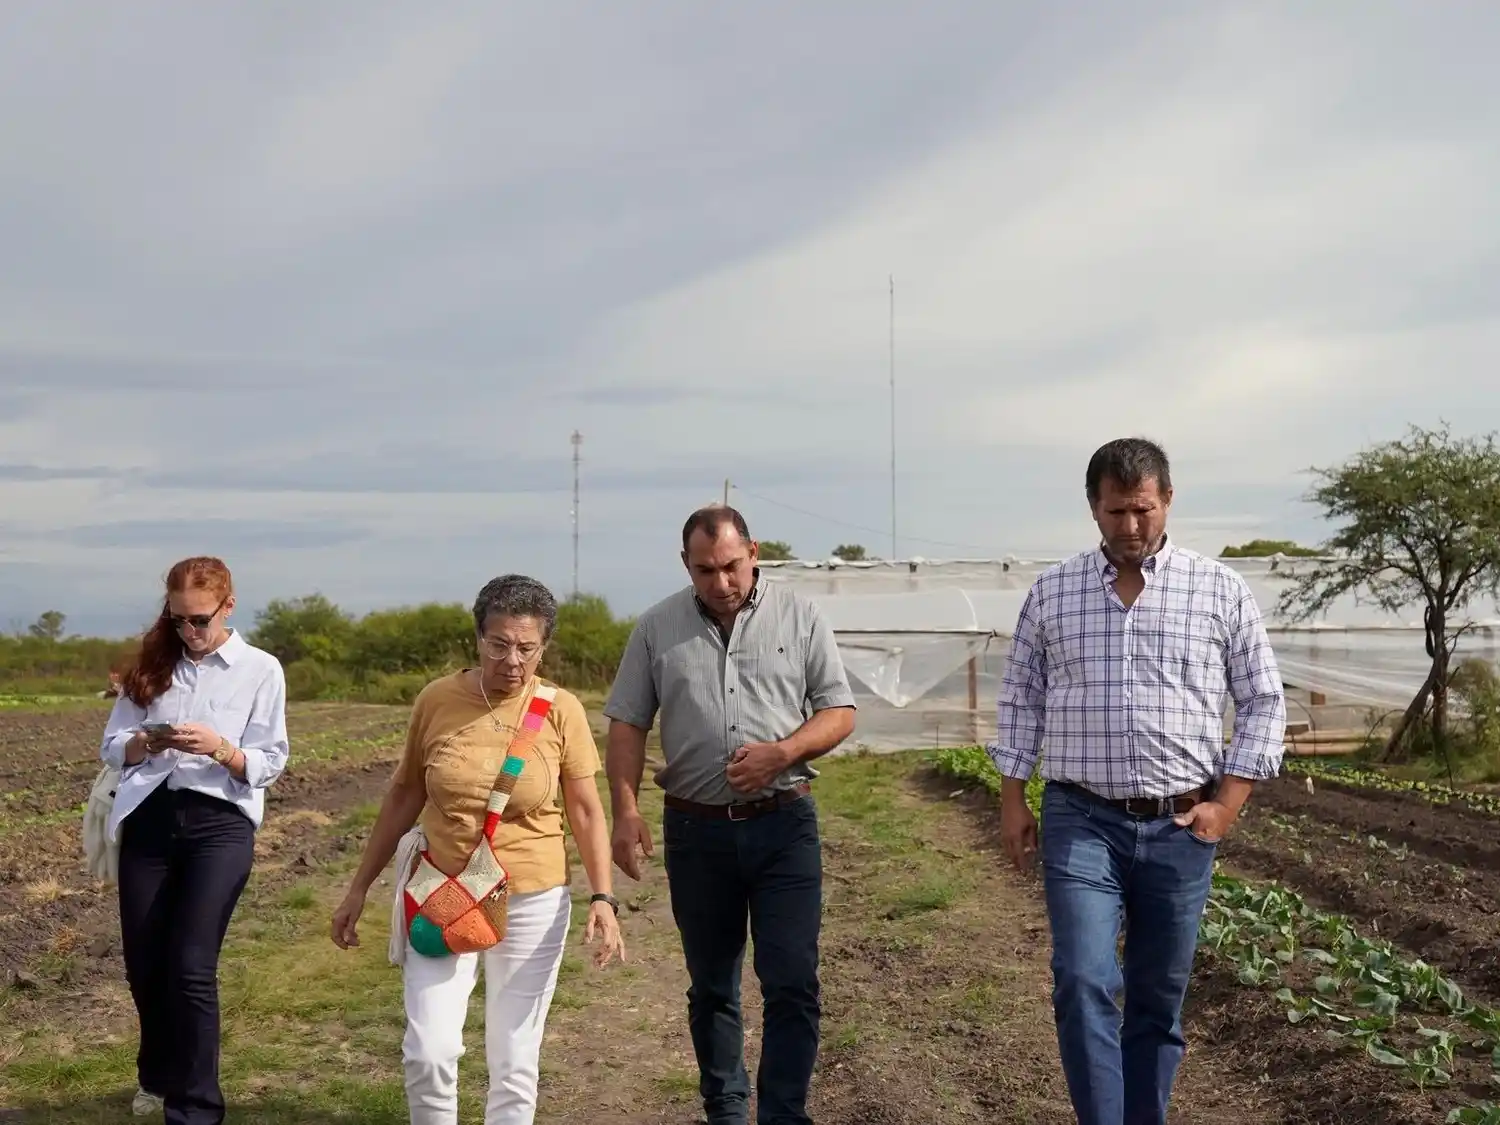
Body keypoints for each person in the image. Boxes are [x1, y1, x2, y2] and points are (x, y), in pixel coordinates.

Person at [988, 437, 1286, 1125]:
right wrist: (1013, 796)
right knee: (1084, 977)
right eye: (1117, 510)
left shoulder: (1217, 590)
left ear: (1168, 501)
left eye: (1143, 509)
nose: (1131, 526)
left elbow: (1264, 699)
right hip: (1081, 816)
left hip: (1181, 823)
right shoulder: (1054, 591)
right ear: (1093, 506)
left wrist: (1227, 805)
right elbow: (1020, 697)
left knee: (1157, 995)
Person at [330, 574, 623, 1125]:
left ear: (544, 647)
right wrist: (358, 887)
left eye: (527, 648)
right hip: (443, 890)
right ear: (478, 639)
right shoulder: (437, 700)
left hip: (533, 896)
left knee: (514, 1058)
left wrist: (603, 898)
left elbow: (586, 810)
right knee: (429, 1050)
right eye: (499, 644)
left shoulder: (562, 710)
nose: (513, 660)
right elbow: (403, 794)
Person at [604, 506, 857, 1125]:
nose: (720, 583)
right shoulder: (657, 628)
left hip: (783, 825)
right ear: (686, 566)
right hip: (696, 831)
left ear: (754, 552)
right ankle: (726, 1107)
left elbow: (839, 711)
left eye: (731, 566)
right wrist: (626, 809)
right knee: (713, 984)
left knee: (792, 979)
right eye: (704, 570)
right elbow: (628, 723)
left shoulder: (800, 617)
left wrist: (784, 752)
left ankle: (782, 1112)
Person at [99, 556, 290, 1125]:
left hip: (220, 824)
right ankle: (157, 1076)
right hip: (150, 820)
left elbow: (270, 759)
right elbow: (111, 746)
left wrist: (221, 749)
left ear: (228, 606)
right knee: (143, 963)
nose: (190, 631)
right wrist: (144, 743)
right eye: (179, 619)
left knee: (190, 965)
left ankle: (196, 1108)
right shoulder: (153, 664)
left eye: (200, 619)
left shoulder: (261, 669)